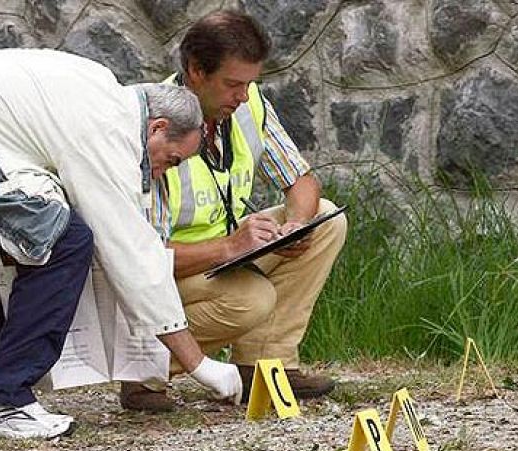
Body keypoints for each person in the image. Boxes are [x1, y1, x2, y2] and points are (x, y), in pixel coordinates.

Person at [0, 48, 242, 439]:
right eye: (172, 159)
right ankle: (3, 400)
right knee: (66, 241)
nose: (164, 172)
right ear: (157, 128)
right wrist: (199, 364)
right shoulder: (110, 127)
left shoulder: (98, 92)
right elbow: (130, 252)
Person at [120, 11, 348, 412]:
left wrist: (296, 226)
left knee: (327, 220)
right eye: (232, 84)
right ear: (196, 71)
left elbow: (300, 179)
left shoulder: (248, 103)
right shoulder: (158, 123)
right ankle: (144, 372)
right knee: (251, 299)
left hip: (223, 254)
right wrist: (229, 247)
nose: (243, 96)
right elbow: (143, 259)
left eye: (249, 83)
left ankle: (265, 366)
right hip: (168, 272)